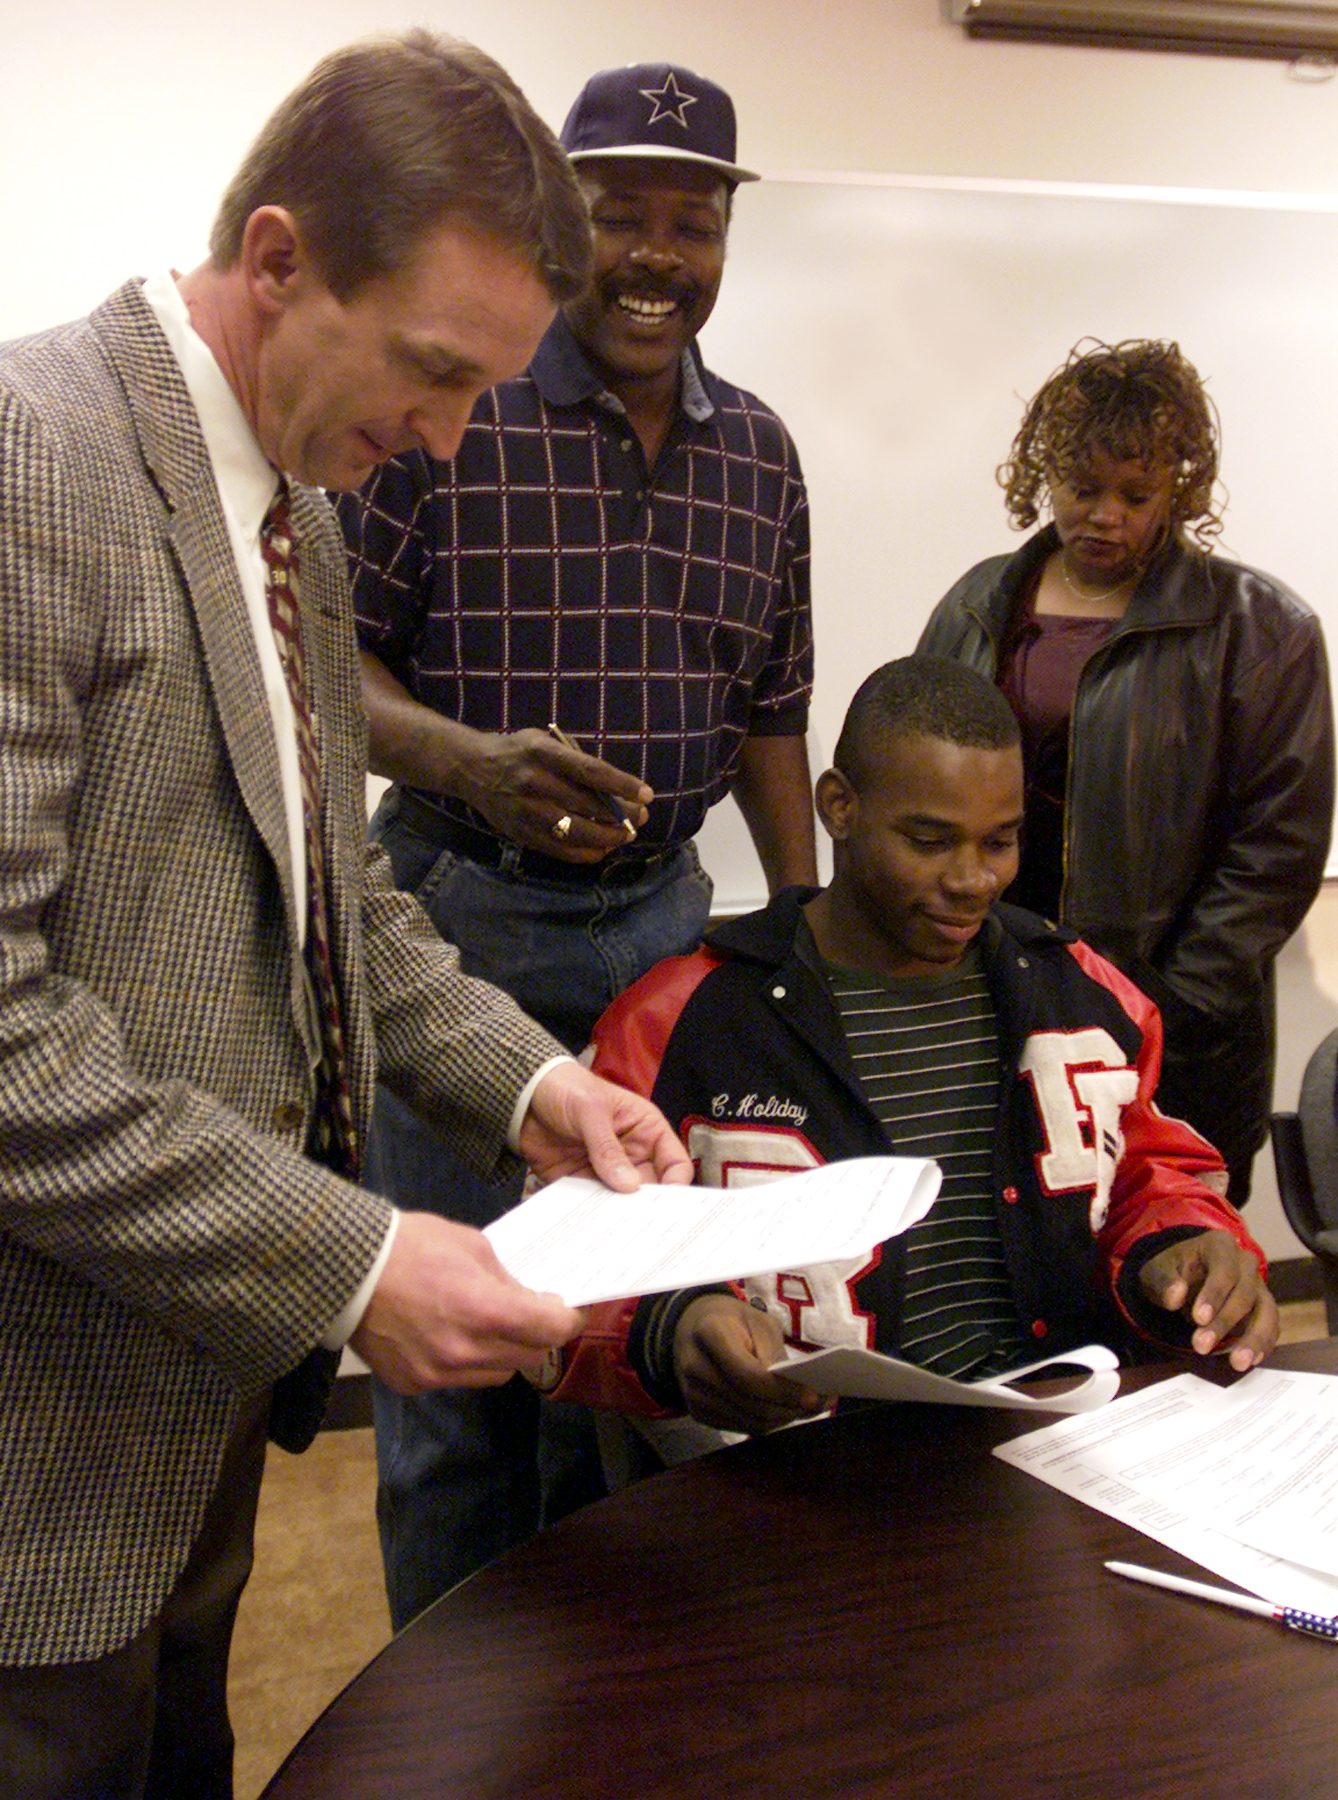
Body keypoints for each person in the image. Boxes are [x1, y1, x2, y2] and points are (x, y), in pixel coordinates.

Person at [0, 34, 694, 1799]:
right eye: (437, 372)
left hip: (196, 1385)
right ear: (282, 258)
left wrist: (539, 1094)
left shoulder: (287, 512)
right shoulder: (31, 468)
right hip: (38, 1442)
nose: (450, 442)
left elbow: (343, 908)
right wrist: (362, 1261)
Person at [338, 61, 817, 1622]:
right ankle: (454, 1736)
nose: (658, 255)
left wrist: (801, 945)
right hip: (455, 932)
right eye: (622, 215)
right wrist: (468, 764)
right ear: (562, 219)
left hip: (667, 945)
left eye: (693, 222)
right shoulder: (451, 407)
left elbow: (772, 717)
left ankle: (584, 1735)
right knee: (461, 1386)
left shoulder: (760, 454)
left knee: (622, 1365)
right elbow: (311, 667)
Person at [543, 658, 1277, 1437]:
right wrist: (673, 1328)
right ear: (839, 807)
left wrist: (1186, 1246)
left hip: (1066, 1443)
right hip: (810, 1475)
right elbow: (571, 1254)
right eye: (929, 841)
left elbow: (1144, 1172)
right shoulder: (681, 1020)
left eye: (1000, 841)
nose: (972, 880)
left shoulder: (1083, 994)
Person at [918, 338, 1333, 1205]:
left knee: (1173, 1264)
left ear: (1181, 488)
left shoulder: (1262, 628)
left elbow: (1276, 853)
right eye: (1081, 487)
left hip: (1178, 1042)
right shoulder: (975, 603)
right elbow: (918, 780)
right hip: (990, 1007)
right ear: (1043, 472)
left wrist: (1159, 1012)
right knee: (1014, 1257)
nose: (1104, 514)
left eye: (1135, 495)